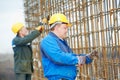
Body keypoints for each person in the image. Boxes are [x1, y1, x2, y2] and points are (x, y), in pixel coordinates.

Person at [40, 13, 98, 80]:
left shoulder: (61, 41)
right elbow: (58, 57)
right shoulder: (48, 41)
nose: (66, 30)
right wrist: (78, 59)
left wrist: (87, 57)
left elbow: (70, 56)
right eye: (65, 28)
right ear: (56, 27)